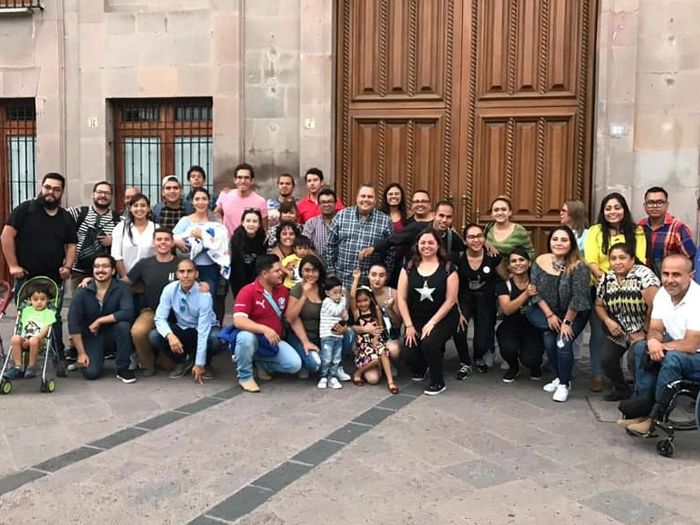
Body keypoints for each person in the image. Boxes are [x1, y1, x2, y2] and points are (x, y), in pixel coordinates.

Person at [1, 172, 78, 368]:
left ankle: (58, 357)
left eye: (56, 189)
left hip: (53, 279)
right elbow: (6, 236)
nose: (51, 192)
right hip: (26, 277)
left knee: (54, 318)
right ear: (42, 187)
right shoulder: (25, 210)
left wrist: (68, 267)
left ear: (62, 192)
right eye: (48, 187)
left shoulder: (65, 217)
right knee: (25, 317)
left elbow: (71, 245)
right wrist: (12, 265)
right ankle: (22, 361)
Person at [619, 255, 700, 435]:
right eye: (665, 274)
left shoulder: (698, 300)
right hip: (681, 350)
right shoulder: (663, 294)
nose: (669, 280)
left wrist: (661, 346)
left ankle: (654, 417)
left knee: (672, 359)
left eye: (676, 275)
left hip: (695, 356)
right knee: (641, 348)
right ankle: (641, 409)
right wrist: (654, 340)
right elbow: (655, 328)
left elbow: (691, 344)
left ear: (691, 275)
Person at [585, 192, 647, 392]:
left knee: (630, 332)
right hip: (602, 287)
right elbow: (591, 259)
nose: (613, 212)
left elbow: (639, 258)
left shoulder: (636, 231)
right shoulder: (595, 230)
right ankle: (598, 375)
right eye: (608, 208)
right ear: (603, 212)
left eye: (617, 207)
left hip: (630, 289)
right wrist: (608, 280)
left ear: (624, 209)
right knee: (600, 333)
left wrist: (622, 280)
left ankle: (628, 380)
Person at [528, 226, 591, 402]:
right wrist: (549, 315)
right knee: (549, 341)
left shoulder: (579, 266)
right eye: (555, 239)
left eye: (564, 240)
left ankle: (564, 384)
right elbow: (534, 291)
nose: (559, 243)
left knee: (563, 342)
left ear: (571, 243)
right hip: (549, 312)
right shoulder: (540, 260)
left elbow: (578, 298)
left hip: (574, 313)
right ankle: (560, 376)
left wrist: (567, 323)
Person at [397, 227, 459, 395]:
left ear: (438, 245)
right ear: (417, 245)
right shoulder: (409, 266)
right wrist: (409, 326)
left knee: (429, 343)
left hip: (443, 317)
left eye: (431, 242)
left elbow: (451, 300)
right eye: (422, 242)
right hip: (416, 318)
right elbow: (401, 298)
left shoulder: (448, 268)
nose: (426, 246)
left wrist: (432, 323)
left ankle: (437, 381)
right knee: (409, 353)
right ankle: (423, 364)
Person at [595, 243, 659, 401]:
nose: (617, 262)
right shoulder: (607, 278)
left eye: (622, 258)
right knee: (606, 360)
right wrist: (608, 321)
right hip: (619, 329)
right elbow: (598, 305)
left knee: (635, 359)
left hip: (644, 328)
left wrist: (644, 332)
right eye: (613, 258)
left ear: (632, 259)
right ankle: (622, 389)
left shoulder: (644, 275)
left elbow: (655, 307)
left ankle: (643, 395)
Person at [232, 254, 303, 393]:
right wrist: (264, 329)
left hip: (274, 340)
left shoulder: (282, 290)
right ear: (264, 274)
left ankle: (261, 363)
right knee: (245, 338)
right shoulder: (248, 291)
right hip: (255, 338)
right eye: (277, 270)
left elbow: (290, 317)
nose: (281, 272)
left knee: (294, 365)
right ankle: (245, 376)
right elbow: (238, 320)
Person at [149, 259, 222, 382]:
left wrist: (200, 363)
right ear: (177, 274)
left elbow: (203, 331)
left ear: (196, 274)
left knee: (215, 339)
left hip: (204, 328)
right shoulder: (169, 289)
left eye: (190, 271)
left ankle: (206, 363)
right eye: (182, 272)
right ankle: (183, 361)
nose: (186, 275)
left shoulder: (204, 294)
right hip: (183, 327)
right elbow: (160, 318)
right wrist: (170, 335)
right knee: (154, 336)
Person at [67, 254, 135, 383]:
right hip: (91, 337)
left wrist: (100, 320)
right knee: (91, 373)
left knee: (123, 326)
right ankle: (86, 356)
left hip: (112, 334)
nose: (100, 270)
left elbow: (127, 312)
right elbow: (73, 322)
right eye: (97, 266)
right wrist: (81, 352)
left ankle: (123, 368)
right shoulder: (82, 291)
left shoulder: (122, 288)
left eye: (105, 266)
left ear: (113, 271)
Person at [285, 255, 352, 381]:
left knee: (349, 334)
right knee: (315, 364)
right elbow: (290, 317)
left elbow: (340, 310)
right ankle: (308, 363)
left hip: (324, 335)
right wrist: (304, 296)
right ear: (301, 271)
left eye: (314, 270)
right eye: (307, 270)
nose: (310, 274)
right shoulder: (297, 289)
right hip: (302, 336)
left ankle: (336, 367)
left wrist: (343, 326)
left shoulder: (325, 287)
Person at [127, 228, 181, 376]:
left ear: (172, 243)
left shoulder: (181, 264)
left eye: (166, 239)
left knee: (167, 365)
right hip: (151, 310)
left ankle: (164, 357)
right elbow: (126, 283)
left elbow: (195, 283)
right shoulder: (144, 264)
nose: (162, 242)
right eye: (159, 239)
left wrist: (204, 285)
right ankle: (147, 363)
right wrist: (93, 280)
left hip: (176, 314)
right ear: (153, 243)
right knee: (138, 331)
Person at [454, 223, 502, 376]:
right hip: (464, 299)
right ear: (465, 241)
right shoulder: (458, 257)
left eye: (479, 236)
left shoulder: (493, 257)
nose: (475, 240)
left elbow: (506, 277)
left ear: (484, 238)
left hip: (485, 300)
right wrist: (457, 309)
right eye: (471, 237)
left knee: (482, 339)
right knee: (460, 330)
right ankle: (465, 362)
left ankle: (478, 357)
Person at [326, 183, 394, 288]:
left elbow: (391, 251)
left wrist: (384, 276)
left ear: (375, 200)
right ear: (357, 198)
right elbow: (330, 246)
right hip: (342, 282)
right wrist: (331, 273)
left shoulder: (385, 221)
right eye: (363, 196)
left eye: (370, 197)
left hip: (370, 285)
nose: (366, 199)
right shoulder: (342, 215)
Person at [359, 200, 464, 267]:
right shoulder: (417, 228)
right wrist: (373, 249)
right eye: (441, 215)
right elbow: (393, 239)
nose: (444, 220)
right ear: (434, 215)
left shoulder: (452, 237)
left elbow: (464, 251)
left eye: (448, 217)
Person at [172, 188, 230, 301]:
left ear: (209, 201)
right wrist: (176, 241)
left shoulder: (216, 223)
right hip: (188, 268)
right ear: (192, 202)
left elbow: (221, 243)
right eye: (197, 199)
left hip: (210, 268)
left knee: (208, 299)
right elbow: (171, 237)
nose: (200, 202)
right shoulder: (185, 221)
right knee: (188, 300)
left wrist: (203, 236)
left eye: (204, 199)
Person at [496, 249, 544, 382]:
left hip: (533, 328)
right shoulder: (504, 286)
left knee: (530, 359)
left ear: (529, 263)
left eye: (521, 260)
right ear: (509, 266)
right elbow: (507, 309)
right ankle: (513, 367)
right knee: (508, 349)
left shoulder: (538, 283)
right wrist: (526, 294)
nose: (518, 263)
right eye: (513, 261)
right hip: (510, 327)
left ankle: (535, 366)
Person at [67, 181, 122, 291]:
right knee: (80, 304)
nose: (103, 195)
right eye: (100, 192)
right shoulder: (79, 213)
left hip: (106, 273)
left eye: (107, 193)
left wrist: (115, 240)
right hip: (79, 272)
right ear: (93, 194)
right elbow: (54, 213)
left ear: (111, 196)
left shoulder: (119, 219)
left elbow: (130, 239)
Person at [349, 275, 398, 394]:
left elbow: (380, 326)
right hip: (364, 345)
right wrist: (356, 279)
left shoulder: (375, 309)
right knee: (374, 371)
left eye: (365, 300)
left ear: (370, 299)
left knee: (383, 352)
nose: (362, 303)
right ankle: (359, 373)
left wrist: (376, 338)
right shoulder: (357, 313)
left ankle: (390, 382)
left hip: (376, 341)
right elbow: (351, 296)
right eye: (359, 301)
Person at [637, 186, 695, 276]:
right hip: (644, 282)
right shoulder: (639, 227)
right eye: (650, 202)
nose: (655, 206)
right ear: (644, 206)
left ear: (667, 205)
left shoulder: (678, 228)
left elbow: (691, 258)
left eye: (659, 202)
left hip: (671, 282)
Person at [4, 284, 55, 379]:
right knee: (15, 338)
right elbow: (22, 327)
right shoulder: (27, 311)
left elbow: (46, 328)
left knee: (33, 340)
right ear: (30, 300)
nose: (39, 302)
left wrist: (37, 337)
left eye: (42, 299)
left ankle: (32, 366)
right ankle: (18, 367)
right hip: (25, 337)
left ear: (47, 300)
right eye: (35, 299)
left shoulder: (49, 313)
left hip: (39, 341)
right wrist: (24, 339)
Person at [111, 193, 158, 280]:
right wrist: (126, 278)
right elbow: (116, 255)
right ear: (130, 209)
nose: (139, 209)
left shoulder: (156, 228)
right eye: (135, 206)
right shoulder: (121, 228)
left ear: (148, 208)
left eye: (143, 205)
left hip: (150, 279)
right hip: (124, 278)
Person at [215, 163, 268, 235]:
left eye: (246, 178)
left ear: (252, 181)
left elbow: (264, 227)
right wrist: (220, 225)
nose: (243, 181)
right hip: (227, 243)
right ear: (234, 180)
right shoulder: (225, 195)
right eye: (239, 177)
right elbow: (217, 212)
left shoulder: (260, 201)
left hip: (250, 244)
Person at [318, 276, 349, 389]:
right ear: (327, 292)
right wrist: (344, 301)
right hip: (327, 335)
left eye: (340, 292)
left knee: (336, 358)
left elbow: (345, 318)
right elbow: (335, 312)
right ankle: (323, 376)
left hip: (338, 336)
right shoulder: (327, 302)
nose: (338, 295)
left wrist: (345, 314)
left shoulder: (339, 304)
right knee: (327, 357)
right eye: (335, 292)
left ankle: (332, 377)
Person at [229, 208, 268, 297]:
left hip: (257, 276)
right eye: (248, 221)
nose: (251, 224)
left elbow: (262, 262)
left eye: (254, 221)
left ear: (259, 224)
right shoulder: (236, 238)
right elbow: (236, 264)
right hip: (238, 275)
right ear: (243, 222)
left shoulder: (264, 239)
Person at [485, 196, 535, 262]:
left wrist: (518, 260)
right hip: (491, 270)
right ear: (492, 214)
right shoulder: (488, 227)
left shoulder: (520, 231)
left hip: (513, 270)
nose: (500, 213)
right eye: (496, 210)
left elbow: (531, 254)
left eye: (504, 209)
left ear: (510, 212)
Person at [381, 183, 408, 287]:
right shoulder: (379, 215)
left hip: (401, 262)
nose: (393, 196)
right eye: (390, 194)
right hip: (383, 260)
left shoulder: (407, 216)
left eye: (397, 194)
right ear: (386, 197)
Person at [302, 187, 340, 257]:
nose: (327, 204)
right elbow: (305, 246)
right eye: (323, 202)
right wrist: (319, 263)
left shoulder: (343, 222)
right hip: (317, 264)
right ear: (319, 205)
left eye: (330, 201)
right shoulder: (311, 223)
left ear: (335, 203)